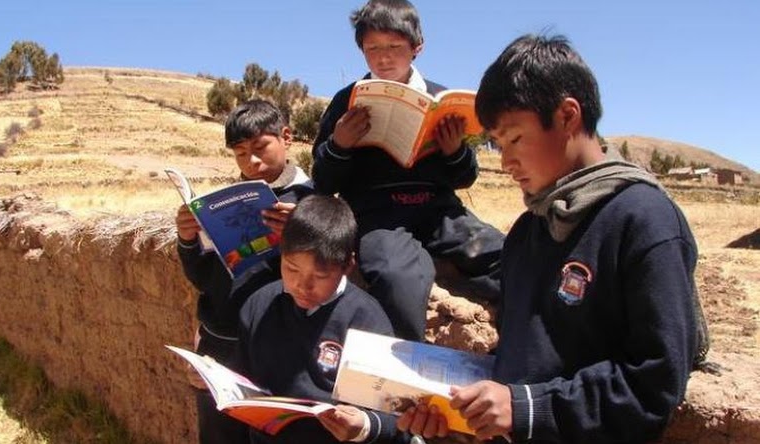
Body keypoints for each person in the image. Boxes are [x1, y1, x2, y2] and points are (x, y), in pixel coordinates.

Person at [399, 34, 701, 443]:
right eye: (497, 144)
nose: (505, 161)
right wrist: (456, 407)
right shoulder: (528, 231)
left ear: (566, 116)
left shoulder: (644, 221)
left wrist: (524, 408)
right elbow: (527, 359)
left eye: (515, 138)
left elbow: (653, 384)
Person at [311, 0, 505, 341]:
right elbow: (324, 182)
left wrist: (454, 151)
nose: (384, 57)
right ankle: (411, 365)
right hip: (377, 215)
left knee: (505, 254)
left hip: (439, 211)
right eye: (372, 48)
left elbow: (465, 178)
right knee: (396, 275)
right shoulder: (347, 101)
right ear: (361, 50)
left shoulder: (442, 98)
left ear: (417, 48)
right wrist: (340, 145)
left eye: (394, 47)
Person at [175, 99, 314, 444]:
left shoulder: (312, 203)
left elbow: (329, 276)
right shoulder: (220, 206)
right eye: (239, 153)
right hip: (219, 345)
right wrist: (188, 238)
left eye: (260, 147)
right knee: (219, 434)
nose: (251, 162)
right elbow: (204, 278)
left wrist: (302, 233)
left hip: (278, 346)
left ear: (286, 137)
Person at [235, 195, 411, 444]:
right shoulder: (259, 305)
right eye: (292, 268)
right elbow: (239, 380)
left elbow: (396, 416)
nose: (302, 286)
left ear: (347, 265)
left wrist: (363, 426)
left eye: (320, 275)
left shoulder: (365, 320)